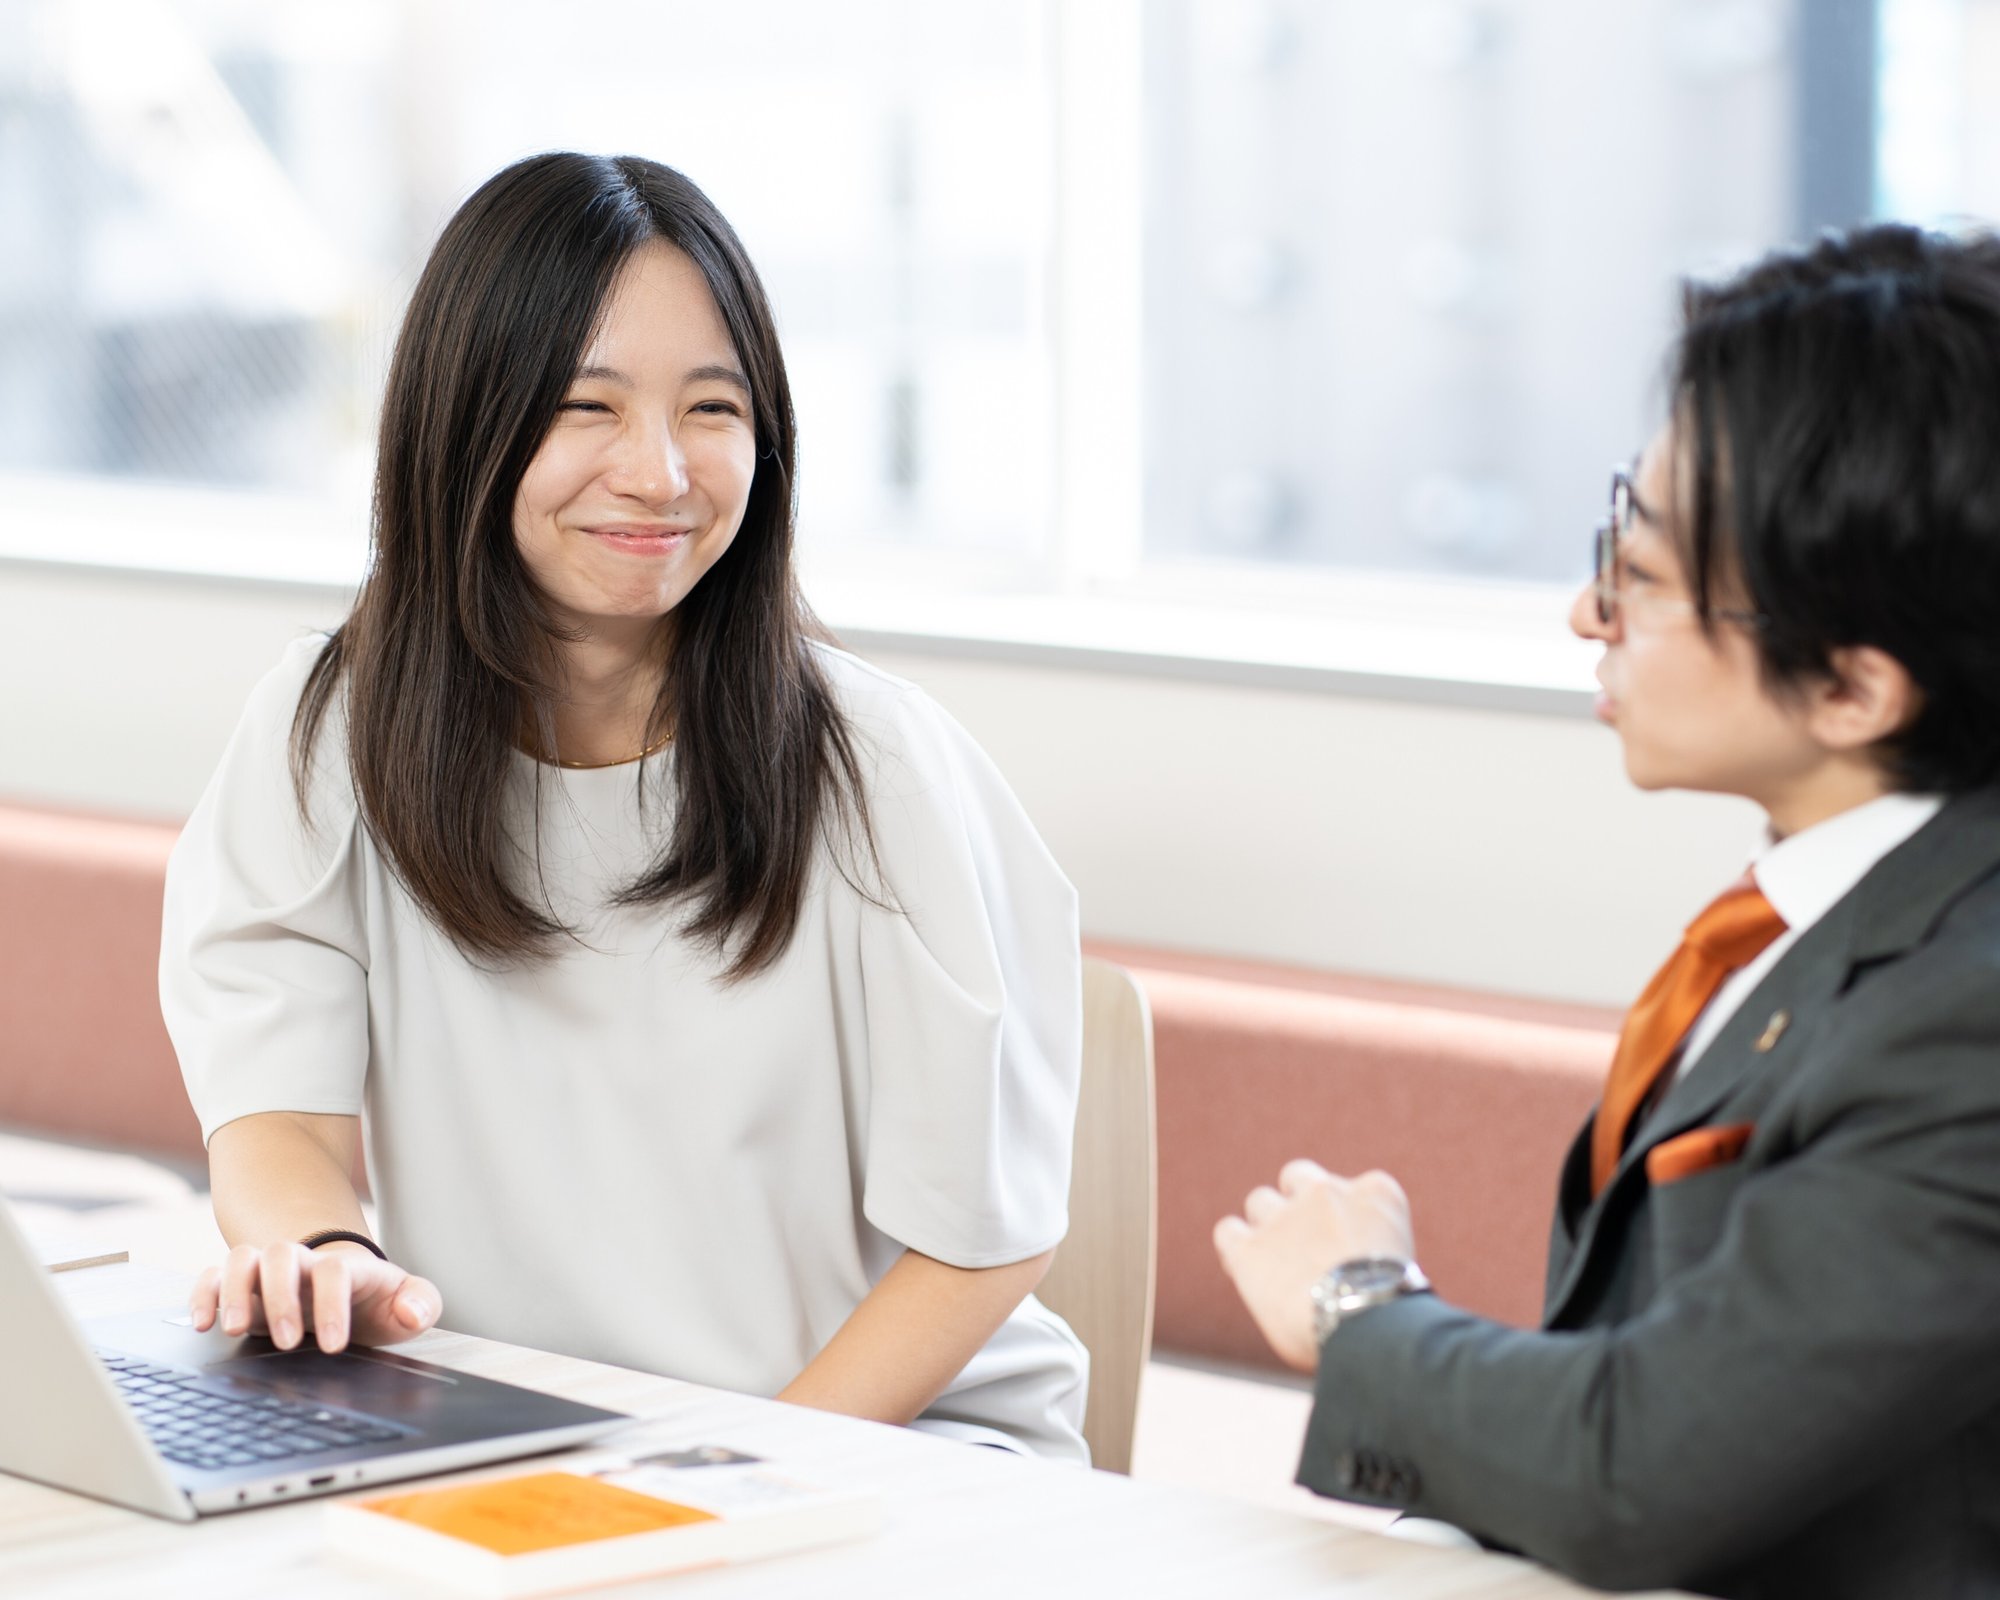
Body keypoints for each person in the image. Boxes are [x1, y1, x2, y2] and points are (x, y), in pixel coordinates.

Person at [159, 152, 1088, 1461]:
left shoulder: (878, 767)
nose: (659, 474)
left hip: (890, 1448)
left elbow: (980, 1246)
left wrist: (726, 1477)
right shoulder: (332, 733)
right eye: (586, 407)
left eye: (713, 409)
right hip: (529, 1436)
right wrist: (324, 1257)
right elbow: (279, 1114)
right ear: (462, 423)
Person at [1215, 224, 2000, 1596]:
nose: (1588, 611)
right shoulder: (1819, 918)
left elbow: (1640, 1464)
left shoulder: (1969, 1013)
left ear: (1856, 689)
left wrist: (1360, 1310)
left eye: (1640, 575)